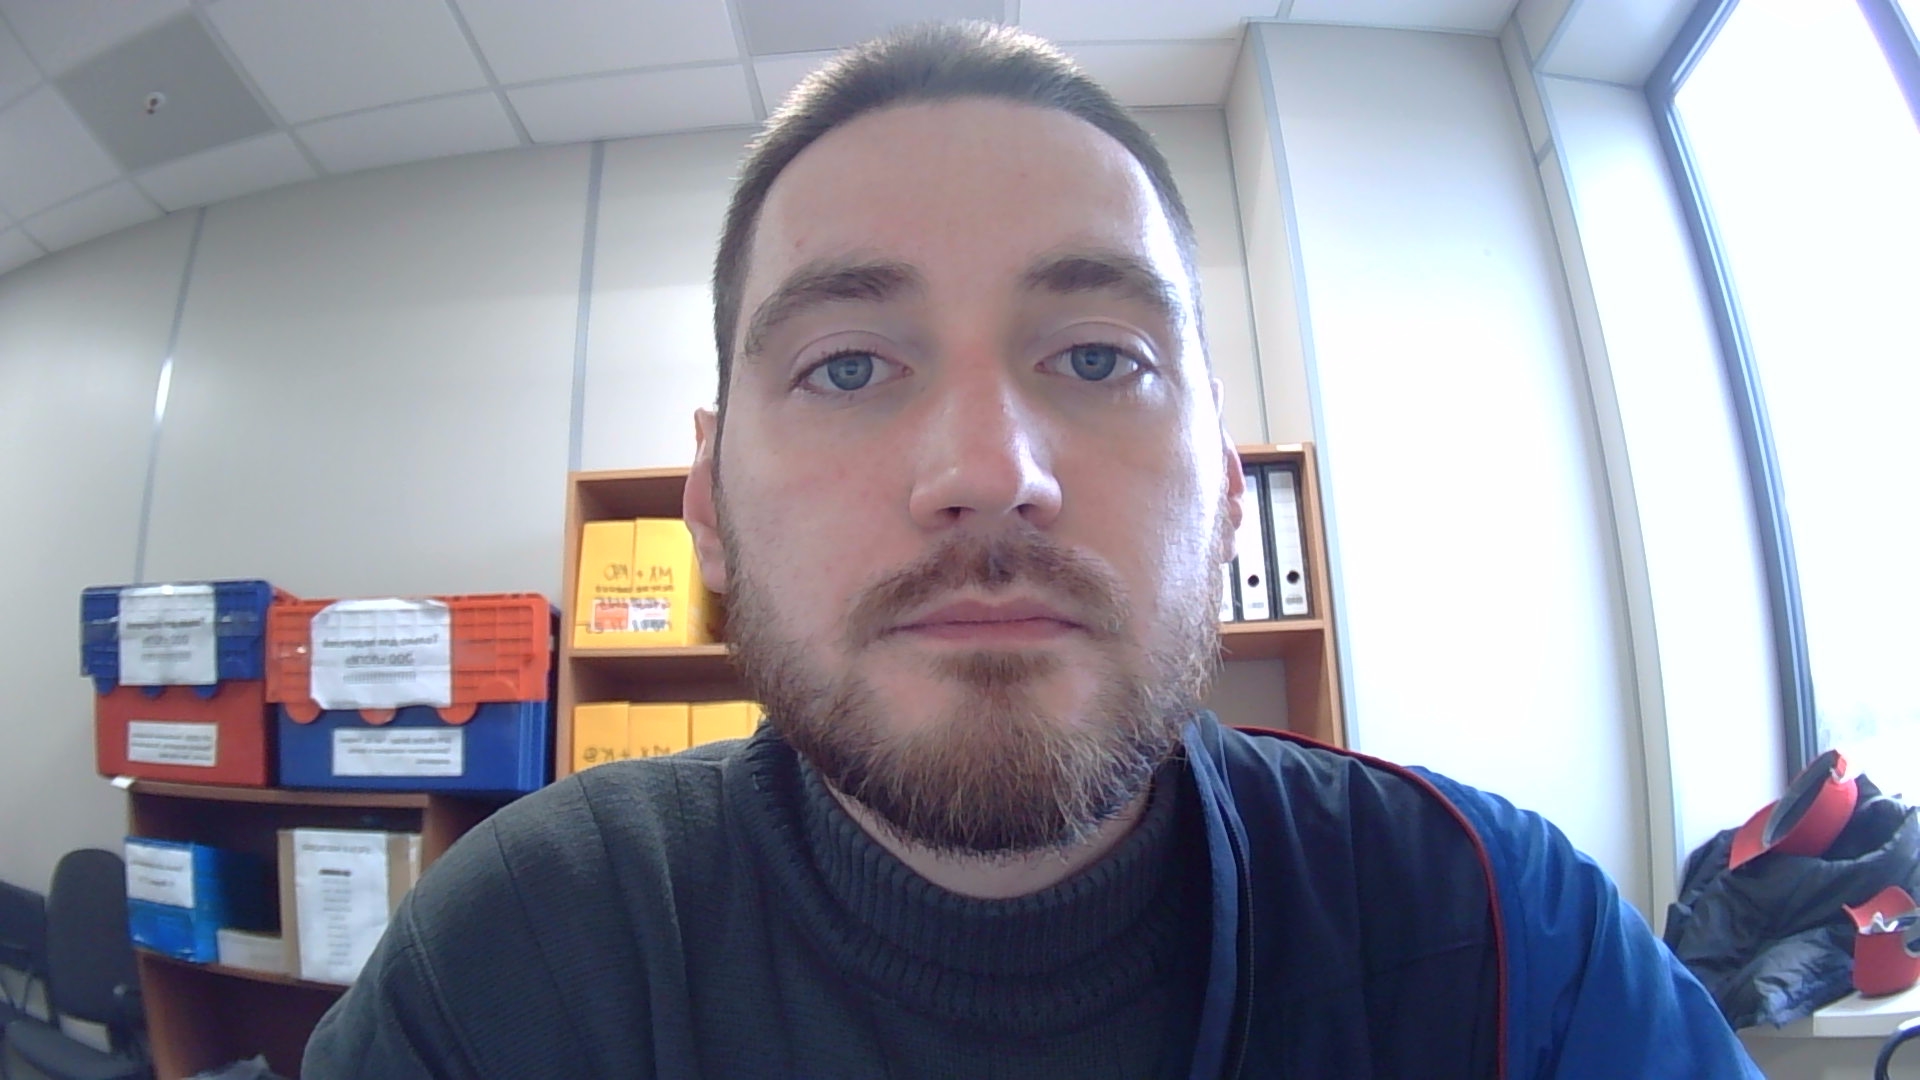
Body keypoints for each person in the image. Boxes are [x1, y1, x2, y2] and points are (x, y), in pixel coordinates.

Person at [304, 21, 1760, 1079]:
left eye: (1100, 356)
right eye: (849, 366)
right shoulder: (513, 960)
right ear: (707, 508)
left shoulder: (1497, 930)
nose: (990, 474)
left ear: (1230, 491)